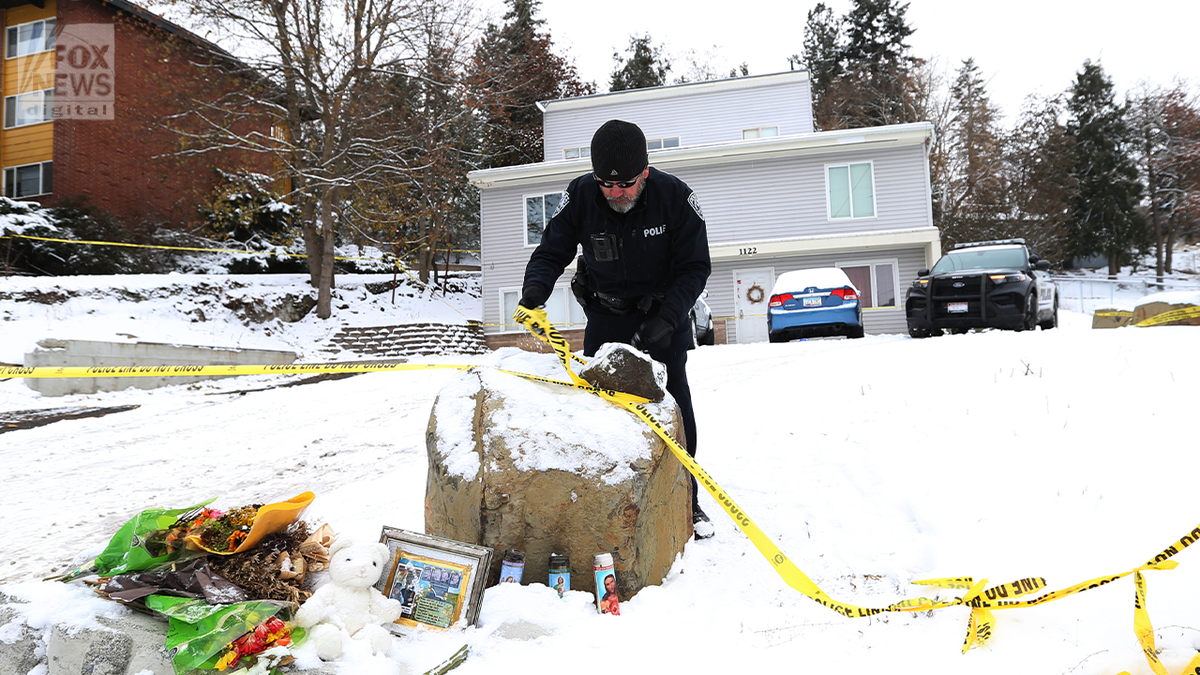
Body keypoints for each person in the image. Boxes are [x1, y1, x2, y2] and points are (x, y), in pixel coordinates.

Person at [518, 119, 714, 540]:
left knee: (673, 408)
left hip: (663, 320)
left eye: (624, 183)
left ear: (644, 172)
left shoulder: (675, 197)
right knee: (600, 415)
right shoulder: (580, 196)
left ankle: (687, 500)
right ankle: (608, 502)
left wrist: (669, 318)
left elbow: (696, 266)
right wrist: (535, 290)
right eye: (605, 184)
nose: (615, 193)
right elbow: (551, 251)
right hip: (606, 320)